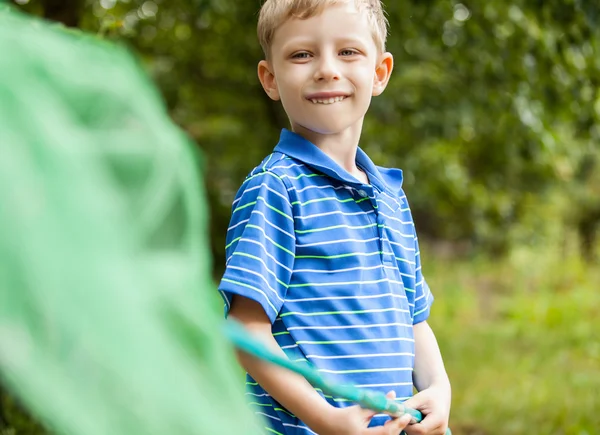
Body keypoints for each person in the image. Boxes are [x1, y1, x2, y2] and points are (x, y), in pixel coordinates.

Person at [217, 1, 451, 434]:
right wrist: (324, 419)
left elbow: (414, 320)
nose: (326, 69)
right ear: (270, 79)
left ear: (380, 72)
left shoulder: (390, 197)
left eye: (348, 52)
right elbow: (246, 331)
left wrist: (439, 388)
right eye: (302, 54)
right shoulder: (276, 187)